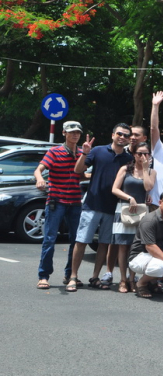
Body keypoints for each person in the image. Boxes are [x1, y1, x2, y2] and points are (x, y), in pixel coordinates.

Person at [69, 123, 134, 291]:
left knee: (104, 244)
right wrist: (84, 153)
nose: (122, 137)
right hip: (92, 204)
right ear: (113, 135)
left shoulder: (128, 159)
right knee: (82, 241)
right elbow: (78, 170)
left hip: (113, 208)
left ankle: (95, 277)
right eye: (119, 133)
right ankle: (73, 277)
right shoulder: (97, 151)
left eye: (126, 135)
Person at [35, 120, 86, 290]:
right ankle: (43, 275)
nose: (75, 135)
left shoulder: (82, 153)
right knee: (49, 239)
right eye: (71, 132)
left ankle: (70, 275)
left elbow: (81, 175)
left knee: (75, 240)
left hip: (75, 202)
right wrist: (41, 179)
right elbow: (39, 169)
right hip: (56, 201)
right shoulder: (55, 152)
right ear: (64, 133)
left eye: (77, 132)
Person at [110, 141, 156, 293]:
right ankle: (123, 280)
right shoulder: (125, 169)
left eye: (146, 153)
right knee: (123, 246)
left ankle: (132, 279)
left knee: (136, 247)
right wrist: (129, 197)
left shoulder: (151, 171)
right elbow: (115, 189)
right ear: (134, 154)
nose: (142, 156)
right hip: (124, 210)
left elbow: (148, 187)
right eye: (139, 153)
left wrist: (144, 168)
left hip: (142, 212)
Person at [128, 189, 163, 298]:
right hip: (140, 256)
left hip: (156, 255)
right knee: (161, 266)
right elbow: (150, 246)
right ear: (160, 202)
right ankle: (141, 283)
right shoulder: (149, 219)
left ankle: (152, 282)